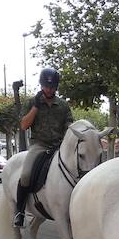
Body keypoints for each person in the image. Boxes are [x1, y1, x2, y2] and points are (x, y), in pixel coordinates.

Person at [13, 68, 74, 228]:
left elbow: (69, 125)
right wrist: (35, 107)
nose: (49, 89)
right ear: (41, 85)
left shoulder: (62, 105)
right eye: (46, 86)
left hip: (59, 146)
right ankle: (19, 212)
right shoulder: (31, 102)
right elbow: (24, 125)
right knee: (25, 175)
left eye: (52, 87)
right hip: (39, 145)